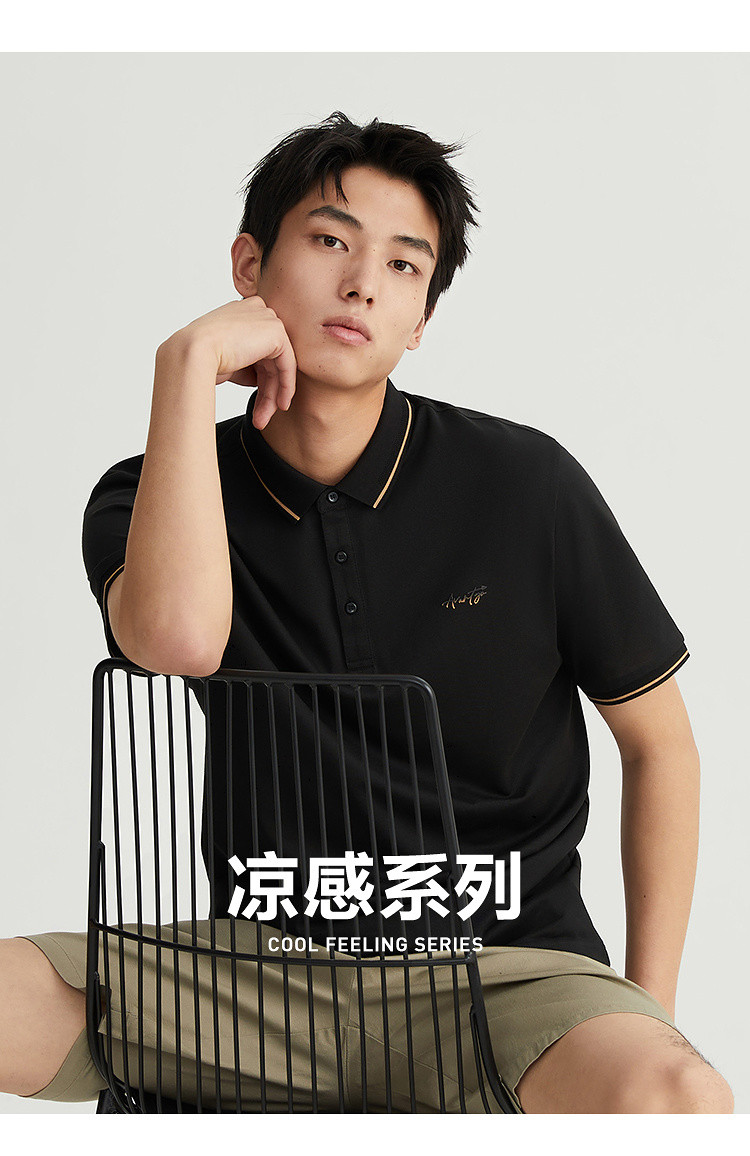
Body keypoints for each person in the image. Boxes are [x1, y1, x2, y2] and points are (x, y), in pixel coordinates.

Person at [0, 111, 734, 1113]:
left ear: (421, 317)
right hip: (259, 977)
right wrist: (185, 368)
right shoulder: (154, 490)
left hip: (506, 974)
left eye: (402, 266)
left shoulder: (525, 485)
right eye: (330, 241)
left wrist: (650, 1006)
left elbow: (661, 746)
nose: (362, 286)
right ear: (250, 265)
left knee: (677, 1097)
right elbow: (177, 641)